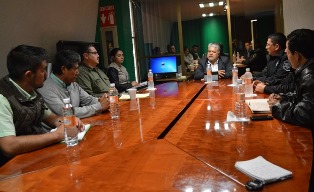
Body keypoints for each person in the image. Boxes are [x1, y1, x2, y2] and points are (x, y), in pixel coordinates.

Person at [0, 45, 84, 166]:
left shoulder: (31, 90)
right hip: (14, 168)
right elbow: (9, 146)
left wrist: (68, 121)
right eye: (43, 70)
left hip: (37, 157)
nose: (46, 74)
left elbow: (50, 118)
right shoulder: (3, 98)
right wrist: (56, 135)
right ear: (29, 74)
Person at [267, 28, 314, 192]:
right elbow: (298, 95)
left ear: (297, 55)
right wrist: (282, 98)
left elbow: (303, 114)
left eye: (287, 52)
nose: (286, 55)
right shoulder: (306, 70)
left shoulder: (310, 75)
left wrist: (276, 106)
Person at [37, 50, 110, 119]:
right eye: (75, 69)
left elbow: (88, 99)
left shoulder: (73, 84)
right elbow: (66, 113)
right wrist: (99, 106)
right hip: (58, 130)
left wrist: (103, 100)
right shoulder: (46, 89)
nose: (78, 72)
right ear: (63, 69)